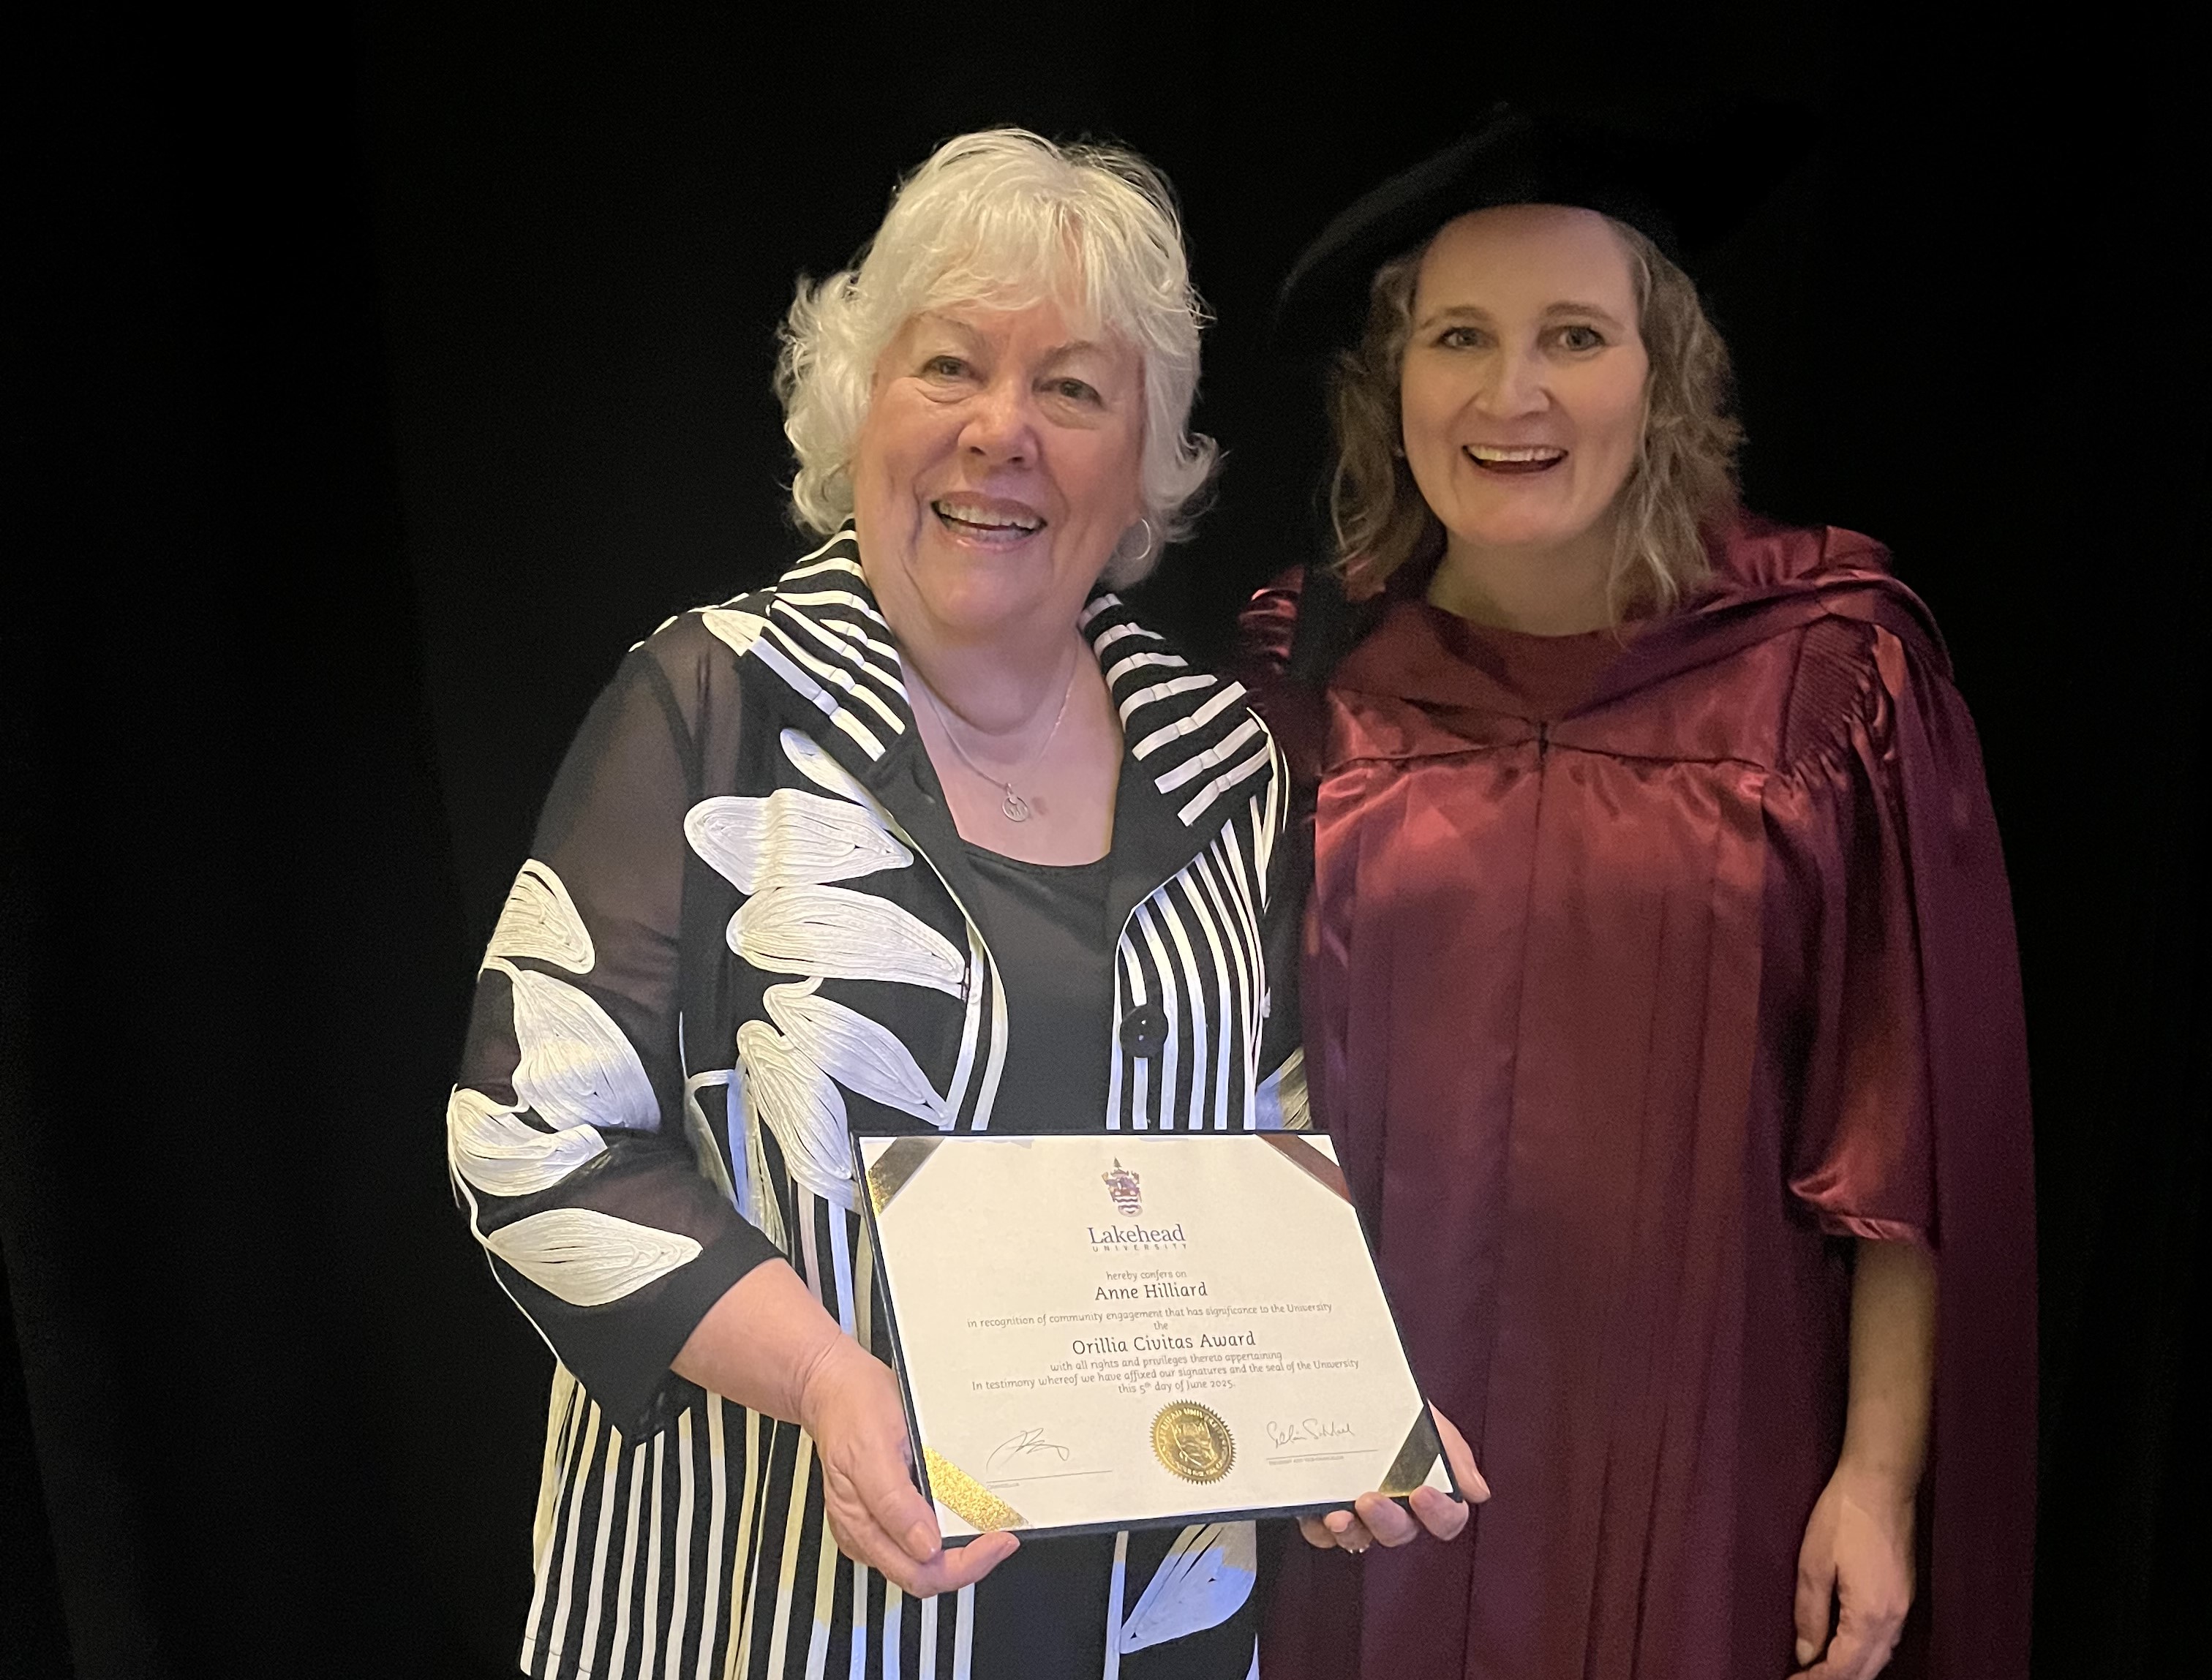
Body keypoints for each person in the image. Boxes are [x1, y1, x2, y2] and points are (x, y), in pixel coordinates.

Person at [448, 128, 1474, 1680]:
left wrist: (1328, 1404)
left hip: (1145, 1619)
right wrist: (822, 1379)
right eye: (949, 368)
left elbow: (1274, 1132)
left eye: (1072, 389)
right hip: (772, 1600)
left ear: (1146, 461)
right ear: (859, 404)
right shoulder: (713, 707)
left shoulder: (1224, 760)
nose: (1002, 432)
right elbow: (535, 1136)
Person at [1244, 108, 2035, 1680]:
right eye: (1459, 335)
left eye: (1575, 336)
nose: (1511, 391)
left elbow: (1906, 1137)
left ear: (1665, 377)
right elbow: (1229, 1091)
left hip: (1715, 1466)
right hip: (1370, 1483)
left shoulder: (1824, 677)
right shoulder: (1309, 685)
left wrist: (1876, 1485)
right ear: (1391, 385)